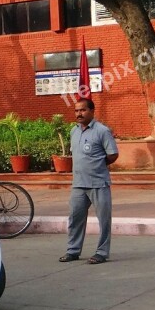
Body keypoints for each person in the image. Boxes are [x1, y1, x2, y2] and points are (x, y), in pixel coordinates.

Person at [60, 98, 119, 265]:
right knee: (75, 218)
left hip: (98, 183)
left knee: (104, 220)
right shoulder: (74, 131)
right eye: (77, 110)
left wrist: (99, 165)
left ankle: (101, 252)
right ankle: (73, 251)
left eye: (83, 110)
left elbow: (113, 154)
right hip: (78, 184)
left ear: (92, 111)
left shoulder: (102, 131)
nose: (79, 113)